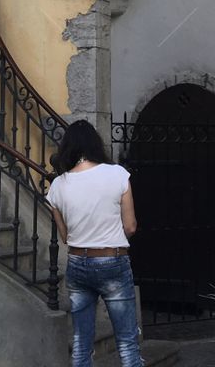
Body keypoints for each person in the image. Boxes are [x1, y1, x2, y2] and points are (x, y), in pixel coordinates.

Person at [47, 119, 143, 367]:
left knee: (81, 344)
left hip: (78, 263)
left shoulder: (57, 186)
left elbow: (65, 236)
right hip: (112, 258)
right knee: (127, 342)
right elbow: (131, 226)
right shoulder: (117, 175)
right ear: (95, 145)